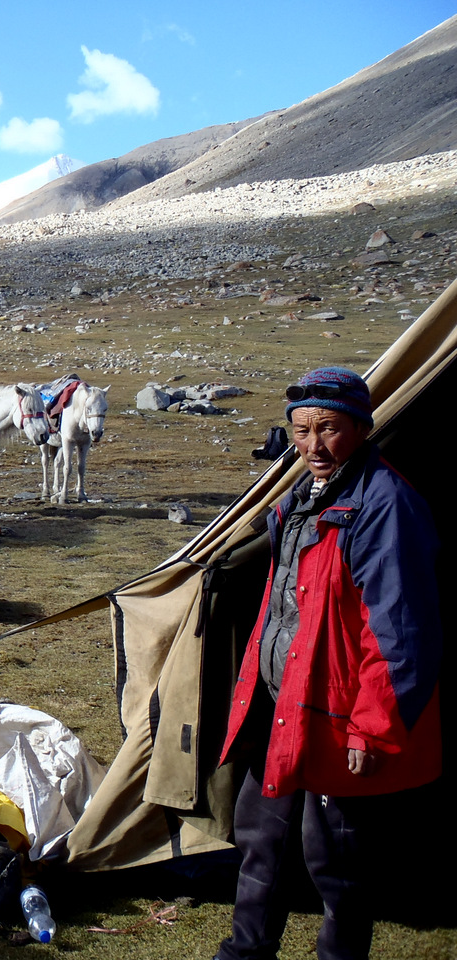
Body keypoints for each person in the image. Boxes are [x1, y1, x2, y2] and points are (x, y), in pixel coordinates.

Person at [214, 366, 442, 960]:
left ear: (361, 429)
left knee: (334, 860)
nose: (314, 446)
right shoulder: (301, 495)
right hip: (282, 700)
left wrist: (372, 726)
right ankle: (246, 952)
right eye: (302, 429)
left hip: (339, 715)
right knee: (260, 837)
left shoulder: (386, 504)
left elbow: (401, 632)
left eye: (331, 429)